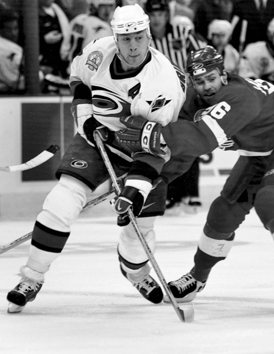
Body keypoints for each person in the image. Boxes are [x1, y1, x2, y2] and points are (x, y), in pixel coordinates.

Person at [113, 45, 274, 313]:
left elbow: (201, 138)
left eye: (212, 78)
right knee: (222, 211)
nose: (207, 87)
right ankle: (197, 278)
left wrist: (155, 136)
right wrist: (152, 179)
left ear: (223, 75)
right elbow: (183, 152)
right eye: (200, 81)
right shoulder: (193, 99)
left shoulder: (240, 96)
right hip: (259, 150)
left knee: (272, 200)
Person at [6, 4, 187, 313]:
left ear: (149, 38)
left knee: (138, 232)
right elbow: (79, 79)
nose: (132, 46)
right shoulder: (98, 51)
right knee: (62, 202)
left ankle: (136, 272)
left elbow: (155, 148)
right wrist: (86, 118)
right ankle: (32, 277)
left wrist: (135, 189)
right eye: (125, 39)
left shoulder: (164, 85)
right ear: (114, 37)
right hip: (95, 140)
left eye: (139, 38)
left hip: (143, 153)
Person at [145, 0, 206, 214]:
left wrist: (198, 84)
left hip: (186, 97)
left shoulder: (181, 30)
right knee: (166, 146)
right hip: (159, 100)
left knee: (191, 142)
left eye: (161, 13)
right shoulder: (144, 38)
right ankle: (171, 195)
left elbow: (201, 55)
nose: (158, 18)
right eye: (154, 14)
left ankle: (191, 194)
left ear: (167, 15)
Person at [38, 0, 70, 82]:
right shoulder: (32, 12)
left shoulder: (59, 9)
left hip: (62, 62)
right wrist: (44, 40)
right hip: (43, 64)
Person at [0, 9, 24, 93]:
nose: (13, 33)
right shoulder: (10, 49)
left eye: (15, 28)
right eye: (9, 29)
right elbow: (15, 82)